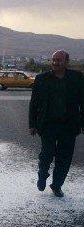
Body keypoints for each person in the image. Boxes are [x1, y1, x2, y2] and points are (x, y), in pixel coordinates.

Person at [29, 50, 84, 197]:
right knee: (46, 154)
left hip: (69, 126)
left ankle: (57, 185)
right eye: (53, 60)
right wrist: (32, 124)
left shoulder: (77, 78)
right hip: (48, 125)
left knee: (64, 158)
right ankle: (42, 174)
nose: (55, 62)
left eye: (58, 60)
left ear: (67, 62)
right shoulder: (41, 79)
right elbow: (34, 103)